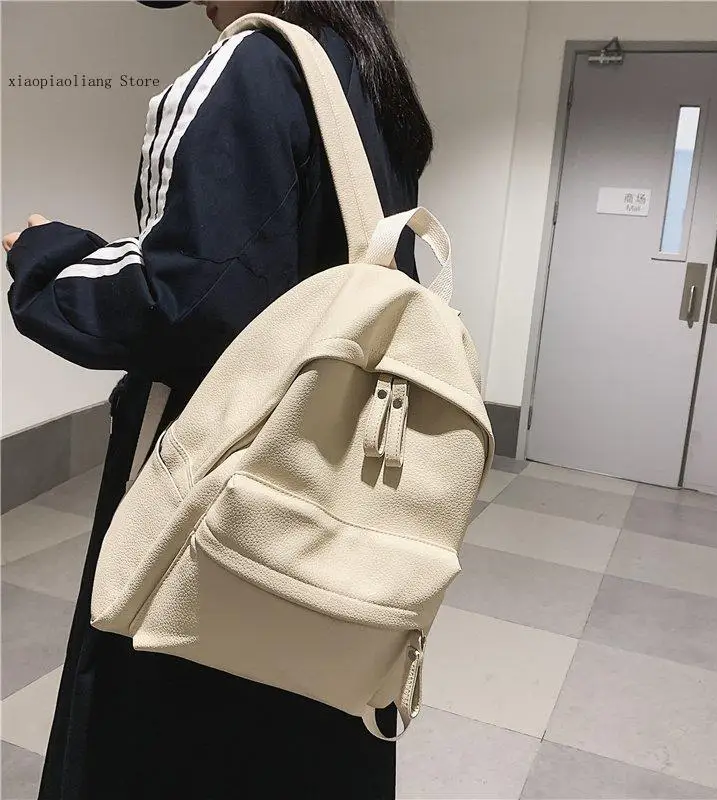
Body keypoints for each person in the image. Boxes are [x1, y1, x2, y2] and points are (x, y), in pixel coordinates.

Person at [3, 2, 433, 798]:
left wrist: (48, 257)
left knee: (164, 731)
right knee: (304, 725)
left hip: (213, 500)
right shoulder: (371, 78)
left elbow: (184, 304)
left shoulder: (251, 64)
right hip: (328, 498)